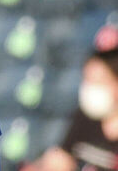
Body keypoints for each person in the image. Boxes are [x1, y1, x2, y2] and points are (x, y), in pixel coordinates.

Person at [22, 26, 118, 171]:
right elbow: (62, 157)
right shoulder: (84, 117)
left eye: (98, 81)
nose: (90, 88)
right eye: (87, 79)